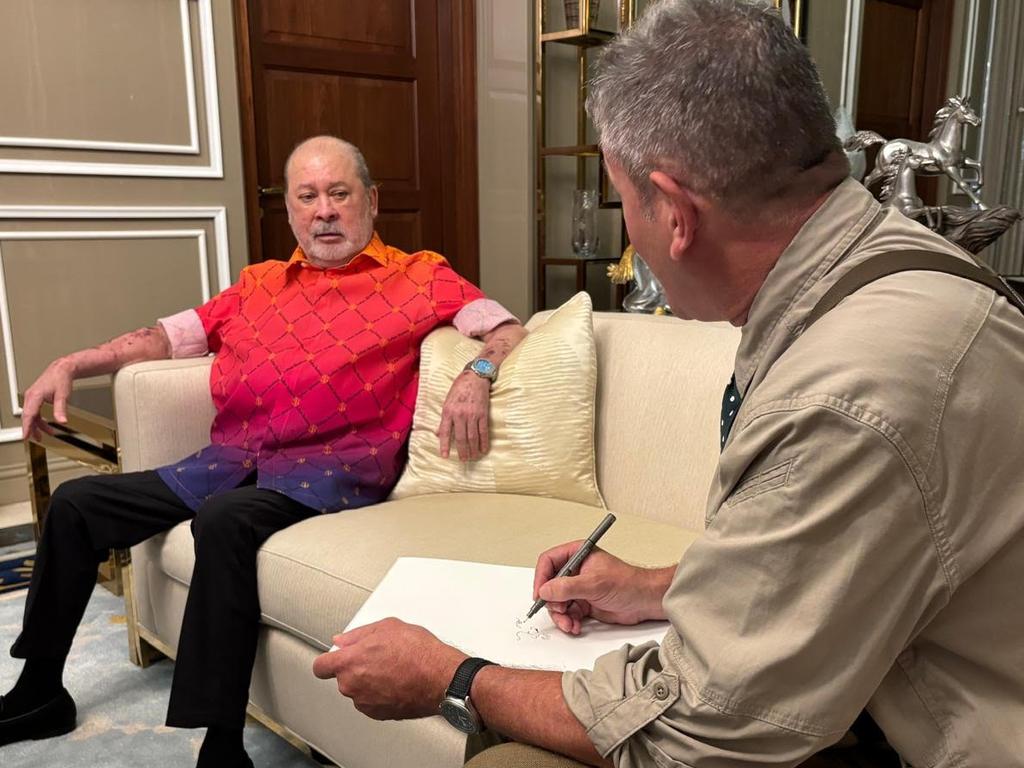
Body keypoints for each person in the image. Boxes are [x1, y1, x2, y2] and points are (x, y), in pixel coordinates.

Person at [311, 2, 1024, 767]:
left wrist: (453, 678)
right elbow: (848, 554)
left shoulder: (848, 396)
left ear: (676, 213)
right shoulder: (889, 271)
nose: (629, 236)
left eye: (623, 203)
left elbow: (694, 736)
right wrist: (655, 588)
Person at [0, 135, 527, 768]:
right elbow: (163, 338)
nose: (324, 210)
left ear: (372, 201)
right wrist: (72, 361)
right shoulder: (258, 285)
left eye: (339, 193)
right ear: (292, 210)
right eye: (308, 196)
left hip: (330, 473)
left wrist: (478, 374)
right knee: (76, 503)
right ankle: (38, 692)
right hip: (225, 462)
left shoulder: (420, 277)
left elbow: (504, 327)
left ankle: (221, 746)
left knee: (223, 522)